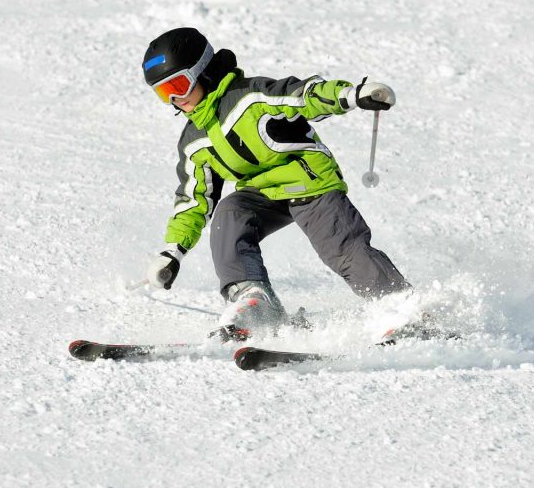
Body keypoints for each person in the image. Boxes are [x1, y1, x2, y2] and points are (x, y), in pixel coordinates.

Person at [141, 27, 412, 339]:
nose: (175, 99)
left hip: (308, 182)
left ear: (203, 71)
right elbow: (194, 199)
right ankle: (255, 301)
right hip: (261, 194)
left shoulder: (251, 98)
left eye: (178, 85)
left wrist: (350, 95)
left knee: (340, 248)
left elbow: (303, 96)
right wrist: (173, 251)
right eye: (163, 93)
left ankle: (401, 305)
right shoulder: (194, 141)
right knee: (229, 213)